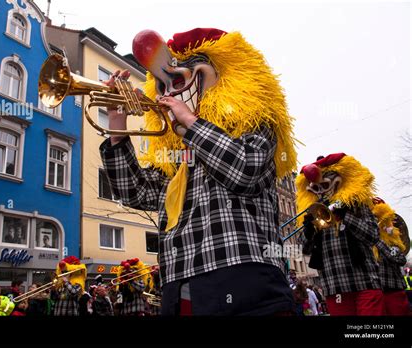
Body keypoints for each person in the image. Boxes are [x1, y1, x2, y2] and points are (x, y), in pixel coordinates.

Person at [101, 28, 298, 316]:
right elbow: (134, 192)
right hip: (180, 288)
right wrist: (117, 130)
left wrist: (192, 125)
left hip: (244, 281)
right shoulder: (176, 156)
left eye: (177, 80)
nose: (170, 92)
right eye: (164, 85)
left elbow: (247, 171)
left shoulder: (254, 124)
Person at [297, 153, 384, 316]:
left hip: (364, 284)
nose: (323, 191)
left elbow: (373, 236)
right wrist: (308, 230)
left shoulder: (357, 205)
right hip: (334, 288)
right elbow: (304, 250)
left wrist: (346, 215)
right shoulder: (316, 211)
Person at [371, 198, 410, 316]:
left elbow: (400, 259)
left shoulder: (392, 241)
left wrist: (377, 240)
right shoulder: (366, 239)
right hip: (374, 292)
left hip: (394, 291)